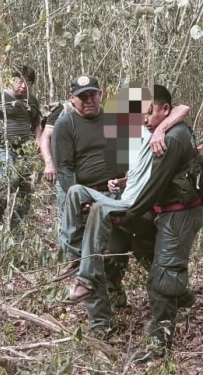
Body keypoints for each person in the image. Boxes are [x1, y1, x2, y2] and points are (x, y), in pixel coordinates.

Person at [116, 85, 203, 360]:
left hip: (180, 213)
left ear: (165, 110)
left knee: (162, 276)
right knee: (142, 245)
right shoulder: (163, 130)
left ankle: (159, 344)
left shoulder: (172, 138)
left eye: (150, 112)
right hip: (163, 210)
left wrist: (128, 214)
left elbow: (154, 186)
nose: (145, 119)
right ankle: (180, 293)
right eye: (142, 113)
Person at [51, 75, 128, 310]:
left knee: (114, 252)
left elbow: (128, 160)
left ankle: (115, 292)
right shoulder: (66, 124)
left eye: (92, 94)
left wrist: (124, 182)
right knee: (90, 256)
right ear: (71, 98)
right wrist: (82, 203)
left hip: (115, 194)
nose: (88, 100)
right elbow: (64, 168)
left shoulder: (114, 120)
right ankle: (100, 322)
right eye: (82, 96)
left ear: (100, 94)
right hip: (85, 194)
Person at [0, 65, 42, 228]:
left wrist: (39, 139)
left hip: (24, 149)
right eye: (20, 81)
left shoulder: (32, 101)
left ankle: (17, 227)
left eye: (28, 82)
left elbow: (37, 124)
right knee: (8, 178)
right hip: (0, 145)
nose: (23, 86)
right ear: (12, 80)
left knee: (26, 185)